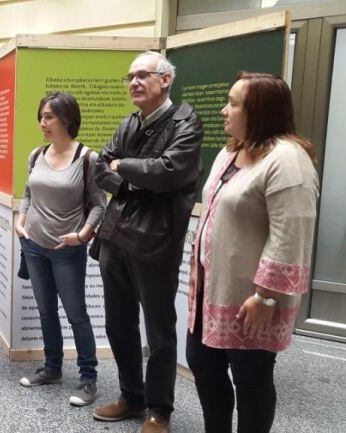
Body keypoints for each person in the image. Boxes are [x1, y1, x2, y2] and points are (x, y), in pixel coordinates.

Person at [186, 72, 318, 433]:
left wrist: (266, 296)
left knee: (251, 380)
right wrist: (197, 265)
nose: (224, 110)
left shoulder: (288, 159)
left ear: (259, 110)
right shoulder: (231, 152)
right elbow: (214, 211)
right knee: (202, 364)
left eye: (233, 103)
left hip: (253, 300)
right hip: (211, 293)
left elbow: (291, 233)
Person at [92, 51, 203, 433]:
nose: (134, 82)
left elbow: (170, 171)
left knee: (158, 331)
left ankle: (160, 411)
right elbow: (99, 166)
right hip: (115, 237)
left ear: (165, 80)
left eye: (143, 75)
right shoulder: (127, 124)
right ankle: (131, 396)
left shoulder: (186, 121)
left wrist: (123, 167)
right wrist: (133, 181)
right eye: (130, 77)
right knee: (117, 324)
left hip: (155, 242)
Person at [16, 92, 106, 406]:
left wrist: (82, 236)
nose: (43, 123)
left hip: (67, 250)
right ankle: (52, 367)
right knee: (45, 311)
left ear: (67, 119)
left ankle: (88, 378)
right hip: (34, 245)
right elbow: (28, 193)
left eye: (49, 116)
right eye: (41, 116)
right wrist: (20, 219)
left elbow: (99, 205)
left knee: (77, 314)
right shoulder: (36, 155)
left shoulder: (87, 158)